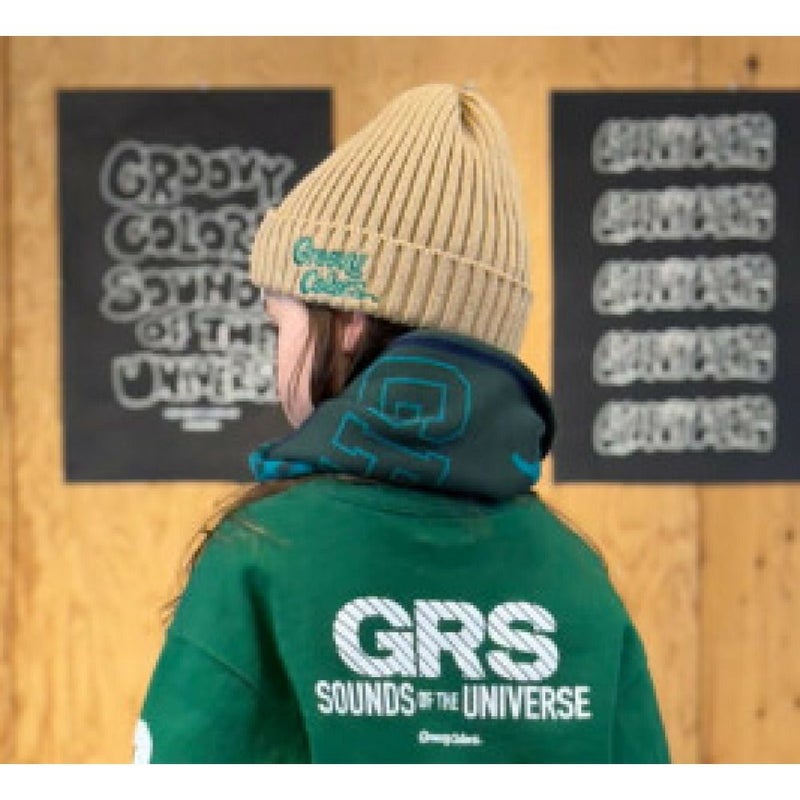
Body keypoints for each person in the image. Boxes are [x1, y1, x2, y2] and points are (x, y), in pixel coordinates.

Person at [133, 83, 670, 763]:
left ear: (348, 320)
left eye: (279, 324)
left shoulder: (259, 556)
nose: (275, 356)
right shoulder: (578, 577)